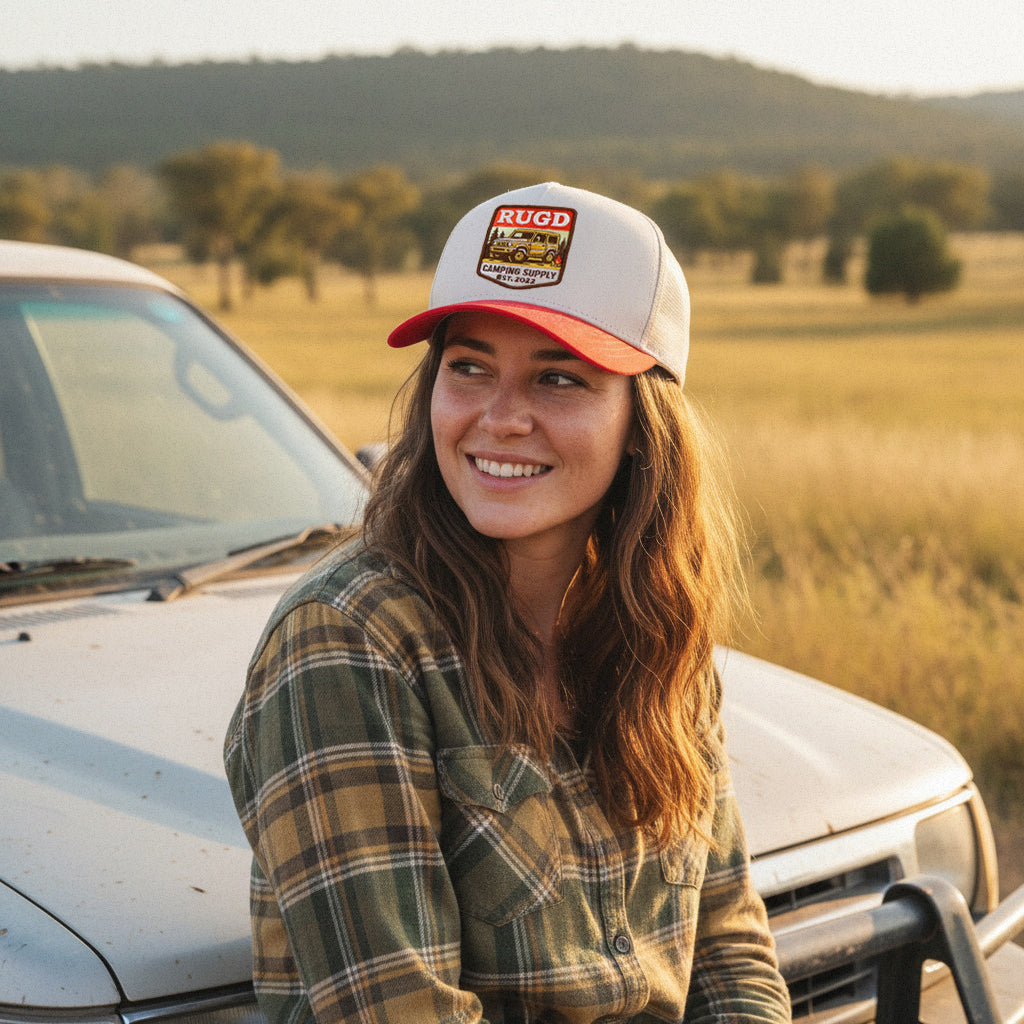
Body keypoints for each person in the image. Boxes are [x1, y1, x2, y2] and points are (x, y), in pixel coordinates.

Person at [224, 182, 792, 1024]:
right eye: (469, 367)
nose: (499, 418)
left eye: (558, 379)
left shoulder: (653, 632)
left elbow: (730, 949)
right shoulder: (350, 642)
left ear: (644, 422)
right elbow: (399, 1012)